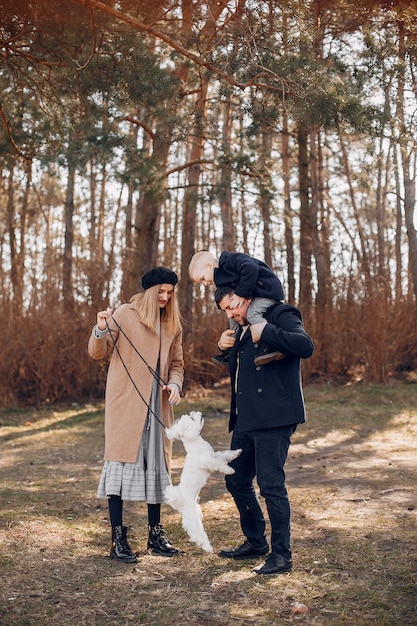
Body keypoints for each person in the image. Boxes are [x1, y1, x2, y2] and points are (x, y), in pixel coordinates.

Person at [213, 284, 314, 575]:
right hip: (246, 419)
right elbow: (243, 367)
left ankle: (282, 555)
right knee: (236, 480)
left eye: (233, 306)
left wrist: (267, 331)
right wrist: (222, 349)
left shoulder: (281, 313)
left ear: (246, 297)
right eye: (225, 311)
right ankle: (256, 541)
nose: (231, 314)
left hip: (276, 416)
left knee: (271, 487)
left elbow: (305, 346)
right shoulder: (241, 325)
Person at [88, 267, 184, 563]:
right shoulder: (125, 314)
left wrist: (176, 384)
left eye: (170, 293)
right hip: (126, 404)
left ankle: (155, 534)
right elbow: (97, 352)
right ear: (150, 291)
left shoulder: (172, 324)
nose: (166, 297)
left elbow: (178, 363)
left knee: (157, 467)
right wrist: (100, 328)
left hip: (158, 405)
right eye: (161, 292)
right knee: (118, 468)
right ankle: (118, 538)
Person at [188, 250, 286, 366]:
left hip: (266, 291)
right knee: (232, 317)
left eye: (203, 278)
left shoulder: (229, 261)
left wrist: (241, 293)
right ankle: (231, 351)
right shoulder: (220, 281)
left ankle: (272, 345)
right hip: (254, 294)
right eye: (201, 282)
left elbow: (250, 268)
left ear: (210, 265)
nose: (205, 284)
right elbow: (223, 298)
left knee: (252, 314)